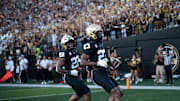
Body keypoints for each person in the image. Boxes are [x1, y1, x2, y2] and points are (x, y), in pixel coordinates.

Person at [80, 24, 123, 101]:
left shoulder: (100, 44)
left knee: (119, 92)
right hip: (97, 73)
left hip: (105, 72)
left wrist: (110, 62)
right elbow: (82, 62)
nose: (101, 34)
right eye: (98, 33)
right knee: (116, 93)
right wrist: (96, 64)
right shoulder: (90, 45)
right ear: (92, 34)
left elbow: (102, 59)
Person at [56, 34, 91, 101]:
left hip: (75, 76)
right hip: (70, 77)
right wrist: (69, 72)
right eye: (69, 43)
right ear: (64, 44)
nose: (71, 44)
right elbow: (58, 69)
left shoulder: (74, 51)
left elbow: (77, 63)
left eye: (71, 42)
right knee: (87, 92)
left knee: (79, 94)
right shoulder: (64, 53)